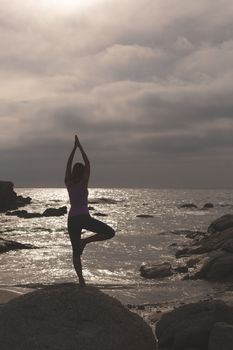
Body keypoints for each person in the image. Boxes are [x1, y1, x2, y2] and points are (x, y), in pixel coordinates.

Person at [65, 134, 115, 286]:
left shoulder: (68, 182)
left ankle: (81, 280)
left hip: (73, 219)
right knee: (110, 233)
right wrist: (80, 147)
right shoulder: (83, 182)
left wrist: (74, 149)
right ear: (83, 173)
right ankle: (85, 241)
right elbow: (88, 163)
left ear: (74, 171)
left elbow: (68, 165)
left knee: (75, 252)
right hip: (84, 218)